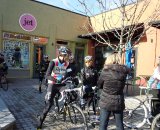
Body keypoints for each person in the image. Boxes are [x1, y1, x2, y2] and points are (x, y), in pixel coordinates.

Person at [37, 46, 71, 129]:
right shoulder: (53, 62)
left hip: (61, 85)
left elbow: (66, 73)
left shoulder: (66, 63)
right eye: (66, 55)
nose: (67, 57)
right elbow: (47, 75)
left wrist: (69, 78)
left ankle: (61, 110)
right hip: (52, 84)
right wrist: (55, 80)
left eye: (67, 55)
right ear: (61, 54)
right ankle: (40, 122)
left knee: (70, 95)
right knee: (48, 105)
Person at [97, 52, 130, 130]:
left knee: (103, 124)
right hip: (118, 100)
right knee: (119, 124)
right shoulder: (123, 72)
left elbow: (99, 85)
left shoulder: (105, 71)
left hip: (106, 100)